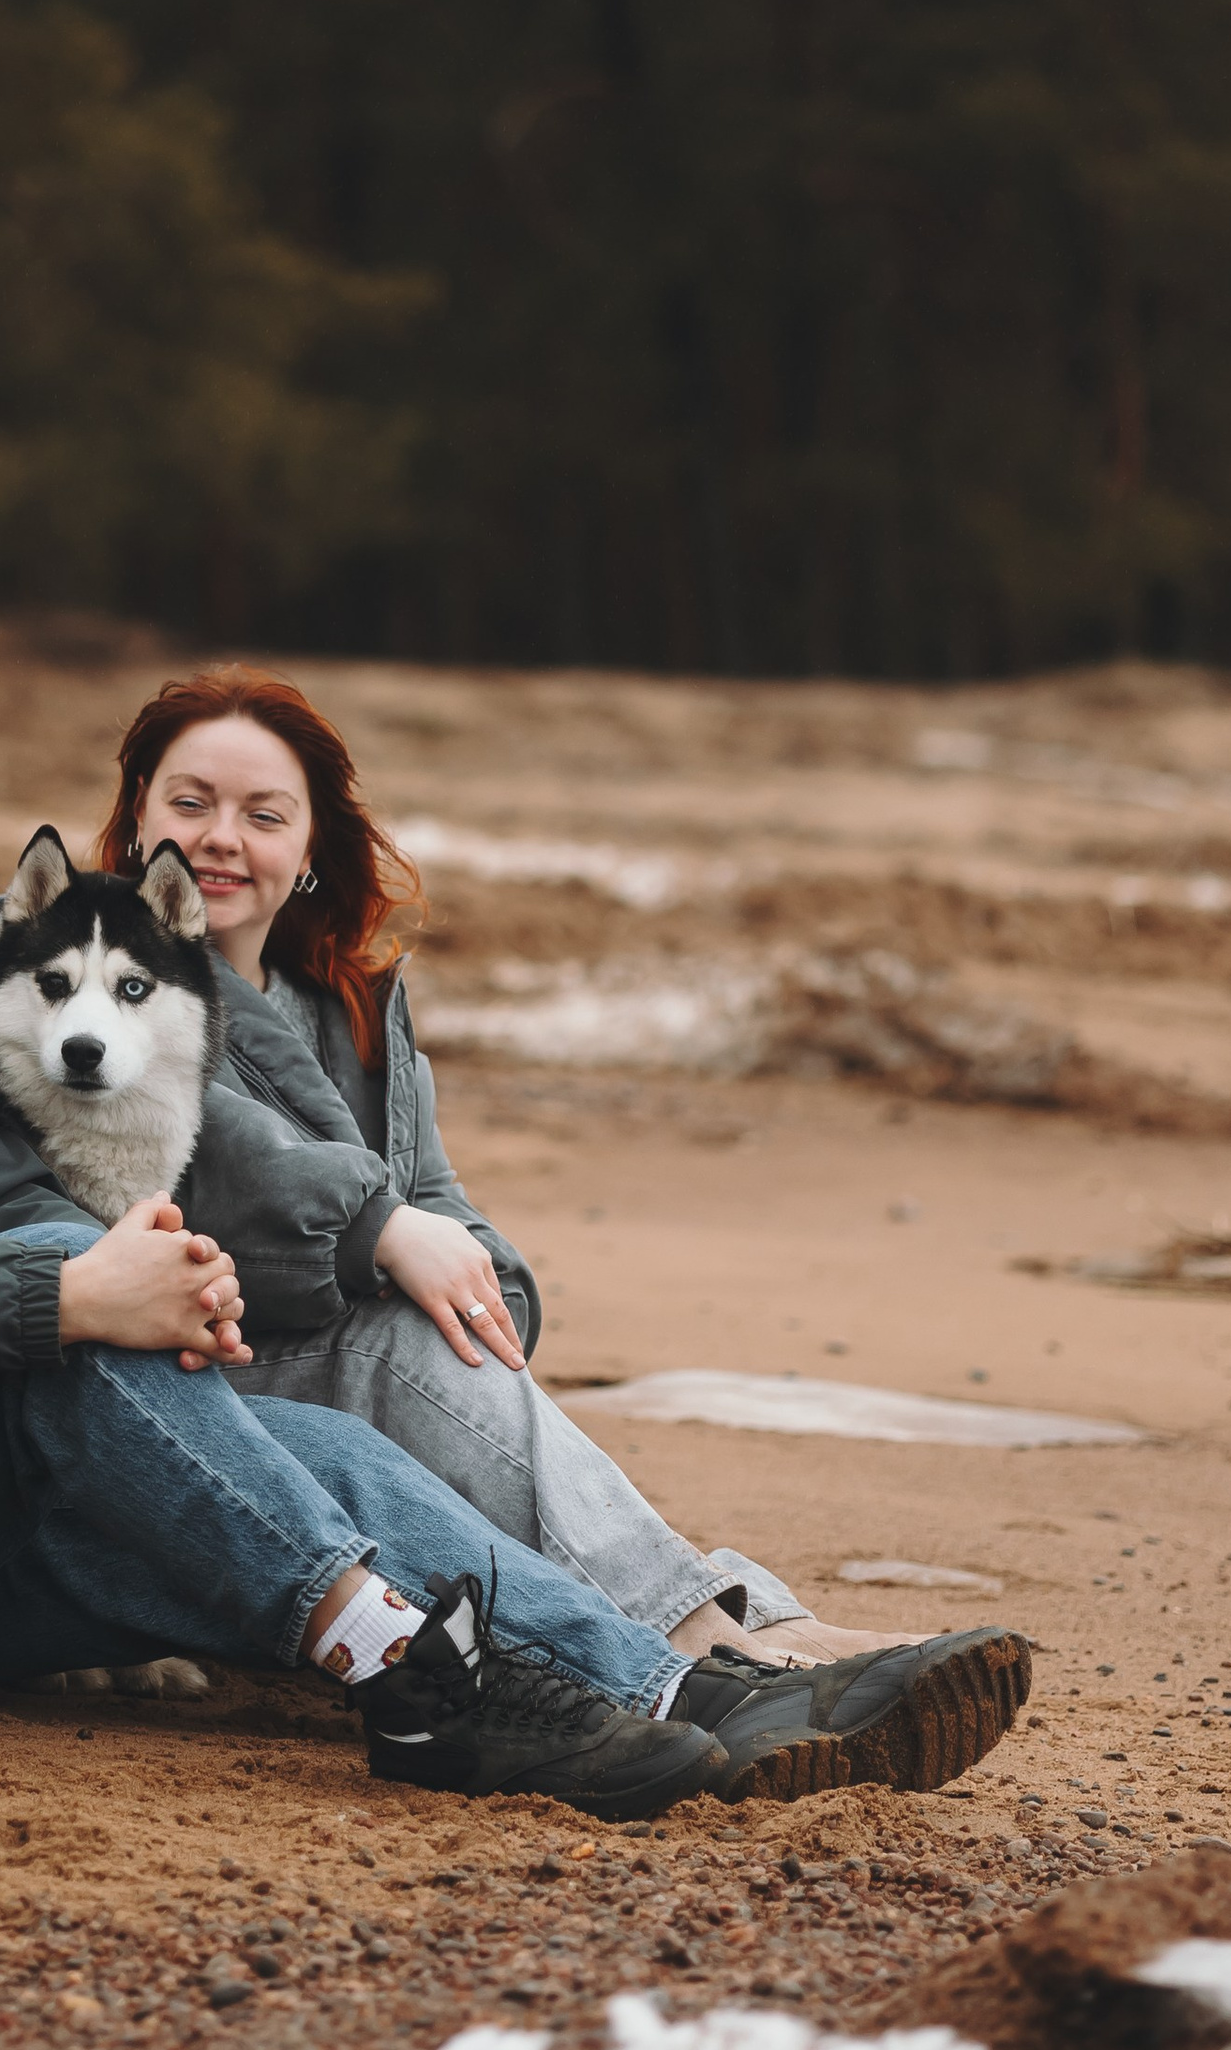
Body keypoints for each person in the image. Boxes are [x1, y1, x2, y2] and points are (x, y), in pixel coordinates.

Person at [0, 583, 1027, 1819]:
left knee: (294, 1435)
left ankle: (694, 1700)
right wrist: (68, 1293)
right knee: (64, 1292)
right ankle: (411, 1676)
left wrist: (150, 1268)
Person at [90, 670, 948, 1685]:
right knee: (399, 1342)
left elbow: (439, 1196)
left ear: (310, 846)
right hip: (179, 1380)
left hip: (322, 1366)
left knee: (444, 1335)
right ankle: (709, 1642)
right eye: (189, 803)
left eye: (262, 815)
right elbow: (220, 1155)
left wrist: (487, 1292)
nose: (220, 837)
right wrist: (381, 1235)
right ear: (137, 814)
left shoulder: (349, 1006)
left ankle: (734, 1624)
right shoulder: (94, 975)